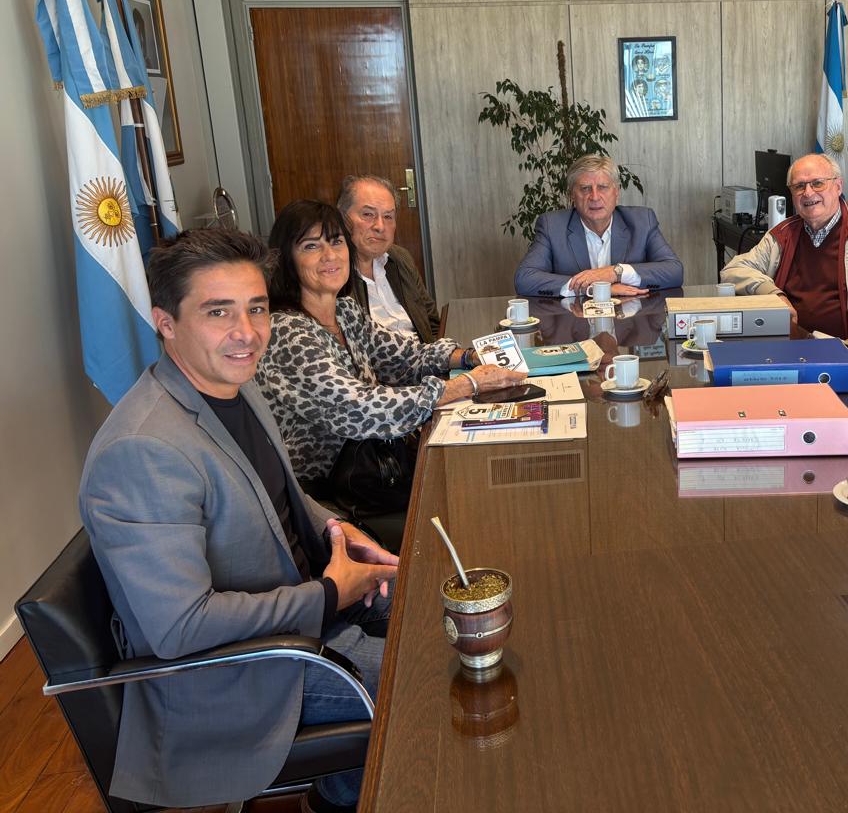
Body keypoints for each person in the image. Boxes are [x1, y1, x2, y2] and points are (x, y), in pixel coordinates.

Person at [79, 228, 398, 813]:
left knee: (445, 607)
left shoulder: (235, 386)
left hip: (302, 611)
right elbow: (181, 628)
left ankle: (342, 790)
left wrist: (339, 531)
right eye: (218, 312)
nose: (247, 333)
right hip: (240, 678)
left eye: (256, 308)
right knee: (427, 679)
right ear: (165, 322)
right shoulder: (142, 450)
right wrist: (330, 594)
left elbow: (274, 496)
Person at [255, 201, 524, 492]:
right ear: (287, 259)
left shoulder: (345, 311)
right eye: (311, 246)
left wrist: (470, 356)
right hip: (327, 492)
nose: (329, 255)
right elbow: (358, 408)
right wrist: (467, 384)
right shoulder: (286, 331)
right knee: (469, 484)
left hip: (375, 466)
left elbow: (404, 357)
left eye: (336, 241)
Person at [720, 153, 848, 358]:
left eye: (817, 183)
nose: (808, 192)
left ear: (838, 186)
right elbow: (733, 270)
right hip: (787, 350)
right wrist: (774, 295)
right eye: (799, 186)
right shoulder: (783, 234)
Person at [513, 154, 684, 297]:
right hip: (574, 322)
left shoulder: (642, 221)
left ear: (616, 192)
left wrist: (615, 272)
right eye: (585, 188)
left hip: (630, 321)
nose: (594, 197)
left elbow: (674, 271)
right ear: (572, 195)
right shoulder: (552, 226)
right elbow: (525, 279)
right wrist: (595, 289)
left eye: (602, 187)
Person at [337, 174, 441, 341]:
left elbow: (433, 323)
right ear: (342, 217)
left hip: (428, 354)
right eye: (368, 214)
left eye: (388, 216)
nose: (380, 226)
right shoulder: (332, 272)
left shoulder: (400, 258)